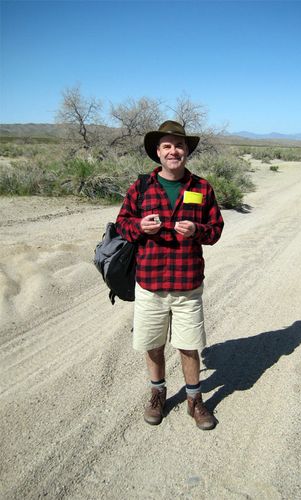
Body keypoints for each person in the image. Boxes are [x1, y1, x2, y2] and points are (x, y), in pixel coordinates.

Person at [116, 120, 224, 430]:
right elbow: (122, 225)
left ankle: (194, 400)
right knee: (153, 344)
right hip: (149, 283)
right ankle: (158, 393)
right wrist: (139, 228)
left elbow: (215, 231)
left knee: (189, 345)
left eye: (179, 146)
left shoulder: (202, 188)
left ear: (187, 151)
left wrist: (197, 230)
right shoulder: (141, 187)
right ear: (158, 152)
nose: (173, 151)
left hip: (187, 283)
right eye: (167, 146)